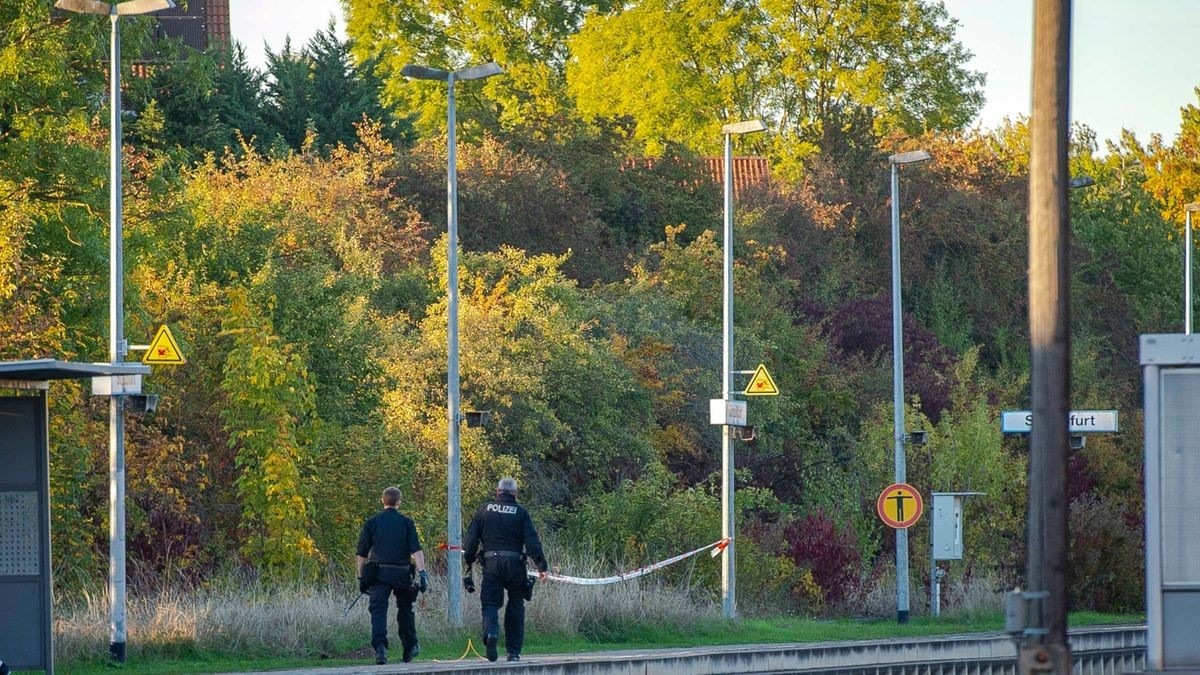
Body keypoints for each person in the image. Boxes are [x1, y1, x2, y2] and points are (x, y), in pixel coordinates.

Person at [463, 476, 548, 662]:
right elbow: (532, 541)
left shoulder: (484, 511)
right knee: (516, 605)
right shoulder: (521, 512)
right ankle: (513, 652)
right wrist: (541, 565)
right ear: (515, 493)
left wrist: (468, 561)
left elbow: (470, 540)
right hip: (515, 565)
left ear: (497, 491)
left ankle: (491, 633)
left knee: (490, 603)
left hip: (491, 564)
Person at [356, 486, 428, 665]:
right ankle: (409, 647)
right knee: (405, 609)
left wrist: (361, 576)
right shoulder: (407, 523)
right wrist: (422, 572)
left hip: (378, 574)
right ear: (399, 502)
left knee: (378, 611)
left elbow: (361, 553)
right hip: (402, 573)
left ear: (383, 501)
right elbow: (416, 550)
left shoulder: (372, 522)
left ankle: (380, 649)